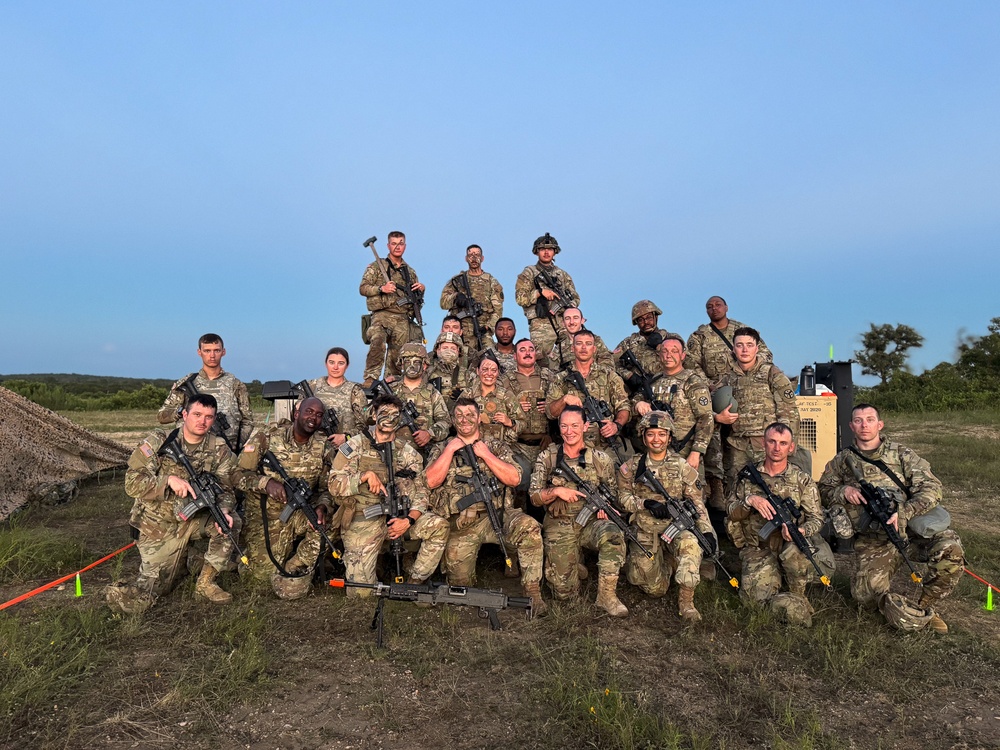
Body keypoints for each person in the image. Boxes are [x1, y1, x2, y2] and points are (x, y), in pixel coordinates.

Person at [818, 404, 964, 634]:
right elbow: (823, 489)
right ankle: (895, 605)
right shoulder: (842, 460)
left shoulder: (901, 454)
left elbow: (932, 487)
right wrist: (843, 491)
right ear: (851, 426)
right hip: (875, 537)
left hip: (911, 531)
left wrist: (905, 511)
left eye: (869, 419)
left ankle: (924, 607)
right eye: (858, 420)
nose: (864, 425)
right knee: (864, 598)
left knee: (950, 550)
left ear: (880, 424)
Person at [107, 393, 240, 614]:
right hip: (158, 526)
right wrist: (167, 480)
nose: (202, 421)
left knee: (229, 523)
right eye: (197, 414)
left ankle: (206, 582)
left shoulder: (219, 448)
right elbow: (131, 484)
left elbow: (227, 489)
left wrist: (224, 509)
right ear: (184, 414)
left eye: (209, 417)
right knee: (153, 591)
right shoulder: (159, 442)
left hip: (192, 520)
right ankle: (188, 561)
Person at [425, 397, 546, 614]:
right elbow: (430, 481)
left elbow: (514, 478)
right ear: (453, 420)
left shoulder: (495, 446)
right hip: (461, 524)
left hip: (498, 515)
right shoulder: (442, 447)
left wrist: (486, 454)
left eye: (470, 414)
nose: (465, 420)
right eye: (459, 415)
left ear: (479, 418)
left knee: (530, 529)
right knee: (460, 586)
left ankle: (533, 593)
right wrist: (449, 450)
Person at [328, 394, 449, 593]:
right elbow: (333, 484)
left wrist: (409, 520)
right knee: (360, 593)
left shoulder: (407, 452)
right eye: (383, 413)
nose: (389, 418)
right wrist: (364, 476)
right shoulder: (355, 446)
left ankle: (414, 583)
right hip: (364, 518)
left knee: (439, 526)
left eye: (395, 414)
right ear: (374, 416)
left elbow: (422, 491)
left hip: (399, 518)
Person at [530, 405, 629, 616]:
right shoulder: (547, 457)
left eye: (575, 425)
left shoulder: (601, 459)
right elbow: (534, 497)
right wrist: (556, 491)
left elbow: (613, 494)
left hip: (592, 522)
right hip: (560, 523)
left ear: (585, 426)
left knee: (613, 533)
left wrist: (606, 508)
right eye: (564, 426)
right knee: (564, 593)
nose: (569, 431)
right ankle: (574, 563)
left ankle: (607, 596)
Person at [233, 397, 335, 599]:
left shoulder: (323, 446)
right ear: (296, 414)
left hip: (300, 514)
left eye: (318, 414)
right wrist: (266, 484)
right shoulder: (267, 437)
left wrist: (322, 506)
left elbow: (326, 488)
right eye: (308, 412)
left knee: (331, 525)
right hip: (267, 517)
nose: (313, 418)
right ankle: (239, 558)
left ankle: (295, 563)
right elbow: (236, 475)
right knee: (260, 579)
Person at [617, 411, 713, 621]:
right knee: (654, 589)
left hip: (675, 526)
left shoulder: (681, 465)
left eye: (662, 434)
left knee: (691, 545)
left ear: (669, 437)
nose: (656, 440)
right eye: (651, 434)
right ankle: (668, 564)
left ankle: (686, 603)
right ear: (643, 437)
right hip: (645, 528)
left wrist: (706, 530)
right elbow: (621, 497)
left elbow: (697, 500)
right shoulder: (632, 466)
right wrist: (644, 503)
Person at [727, 422, 825, 627]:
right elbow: (730, 511)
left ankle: (797, 596)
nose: (777, 448)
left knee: (799, 551)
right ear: (764, 443)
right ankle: (776, 586)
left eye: (783, 443)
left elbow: (817, 518)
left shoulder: (802, 480)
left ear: (791, 447)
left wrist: (802, 530)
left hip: (788, 545)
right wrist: (749, 501)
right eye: (772, 441)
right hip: (757, 547)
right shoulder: (747, 476)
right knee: (754, 601)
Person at [685, 298, 771, 510]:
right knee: (713, 442)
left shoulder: (741, 331)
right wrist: (709, 385)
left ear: (726, 308)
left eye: (718, 305)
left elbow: (766, 355)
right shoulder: (699, 336)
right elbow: (691, 364)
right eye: (709, 306)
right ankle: (718, 498)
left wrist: (746, 370)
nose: (714, 309)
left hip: (743, 392)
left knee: (741, 446)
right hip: (713, 395)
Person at [715, 327, 806, 491]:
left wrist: (787, 447)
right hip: (736, 446)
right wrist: (718, 416)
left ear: (757, 348)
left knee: (771, 488)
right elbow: (710, 407)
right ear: (733, 349)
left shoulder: (772, 373)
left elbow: (789, 411)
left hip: (766, 444)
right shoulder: (728, 378)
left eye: (749, 345)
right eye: (740, 345)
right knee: (735, 489)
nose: (744, 350)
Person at [632, 334, 713, 476]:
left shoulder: (692, 381)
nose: (669, 355)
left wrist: (696, 452)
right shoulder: (654, 380)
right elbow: (634, 401)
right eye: (665, 351)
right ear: (659, 355)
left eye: (674, 351)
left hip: (684, 451)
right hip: (655, 453)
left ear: (683, 355)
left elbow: (706, 418)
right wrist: (638, 403)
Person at [157, 333, 254, 451]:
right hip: (191, 452)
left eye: (216, 350)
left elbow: (247, 421)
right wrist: (180, 412)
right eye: (207, 351)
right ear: (199, 352)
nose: (212, 355)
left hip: (225, 453)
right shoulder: (186, 383)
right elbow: (162, 416)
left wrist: (235, 446)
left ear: (223, 352)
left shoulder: (236, 385)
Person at [545, 329, 630, 459]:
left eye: (588, 343)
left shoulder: (609, 376)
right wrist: (564, 399)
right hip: (573, 447)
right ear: (572, 348)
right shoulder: (561, 378)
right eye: (579, 343)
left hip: (606, 445)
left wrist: (616, 425)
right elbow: (550, 412)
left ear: (594, 349)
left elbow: (624, 407)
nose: (584, 347)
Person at [359, 231, 426, 385]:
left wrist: (422, 288)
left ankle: (391, 382)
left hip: (402, 317)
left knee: (397, 353)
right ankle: (370, 379)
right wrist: (381, 288)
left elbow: (416, 299)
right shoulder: (377, 266)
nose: (397, 246)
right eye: (394, 243)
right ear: (388, 245)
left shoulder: (410, 272)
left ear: (405, 246)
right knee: (378, 341)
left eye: (401, 243)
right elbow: (363, 288)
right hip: (382, 315)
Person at [514, 233, 580, 368]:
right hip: (541, 322)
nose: (546, 252)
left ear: (555, 252)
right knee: (541, 360)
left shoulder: (562, 275)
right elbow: (520, 298)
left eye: (550, 249)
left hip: (563, 321)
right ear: (536, 252)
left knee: (571, 357)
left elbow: (576, 298)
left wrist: (569, 306)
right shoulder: (529, 273)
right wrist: (539, 293)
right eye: (542, 249)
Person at [389, 343, 452, 461]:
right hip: (392, 453)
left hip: (422, 454)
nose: (412, 366)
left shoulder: (432, 393)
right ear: (402, 364)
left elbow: (445, 422)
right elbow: (369, 416)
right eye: (408, 362)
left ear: (424, 365)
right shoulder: (390, 391)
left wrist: (429, 433)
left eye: (417, 362)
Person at [439, 244, 504, 353]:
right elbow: (443, 303)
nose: (474, 258)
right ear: (466, 258)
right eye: (471, 255)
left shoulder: (491, 281)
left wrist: (488, 327)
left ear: (482, 258)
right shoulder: (457, 281)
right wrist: (456, 297)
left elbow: (498, 310)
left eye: (477, 255)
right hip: (459, 331)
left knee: (490, 357)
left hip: (481, 331)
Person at [298, 347, 367, 448]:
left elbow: (363, 427)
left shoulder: (355, 391)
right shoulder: (311, 387)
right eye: (331, 362)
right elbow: (295, 418)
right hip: (312, 450)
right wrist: (299, 406)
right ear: (326, 363)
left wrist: (346, 437)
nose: (335, 367)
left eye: (341, 363)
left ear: (347, 365)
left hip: (344, 450)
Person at [459, 353, 520, 446]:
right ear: (477, 371)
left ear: (498, 372)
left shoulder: (507, 396)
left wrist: (510, 422)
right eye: (485, 369)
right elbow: (454, 420)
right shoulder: (468, 395)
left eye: (493, 370)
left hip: (502, 449)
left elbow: (523, 424)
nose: (489, 374)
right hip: (472, 446)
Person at [614, 299, 674, 384]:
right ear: (636, 322)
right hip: (639, 391)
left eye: (649, 317)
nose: (646, 322)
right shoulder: (627, 343)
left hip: (668, 386)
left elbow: (686, 361)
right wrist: (629, 375)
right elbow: (612, 364)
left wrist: (661, 346)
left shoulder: (671, 338)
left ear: (655, 317)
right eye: (641, 320)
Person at [546, 307, 615, 371]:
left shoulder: (596, 341)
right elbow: (553, 373)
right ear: (563, 323)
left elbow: (609, 367)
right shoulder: (560, 348)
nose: (571, 322)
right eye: (567, 318)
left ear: (582, 320)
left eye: (575, 318)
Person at [424, 332, 471, 412]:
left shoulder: (467, 375)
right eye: (445, 348)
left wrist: (464, 396)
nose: (448, 351)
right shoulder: (426, 373)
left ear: (458, 351)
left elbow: (478, 399)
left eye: (453, 348)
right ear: (438, 350)